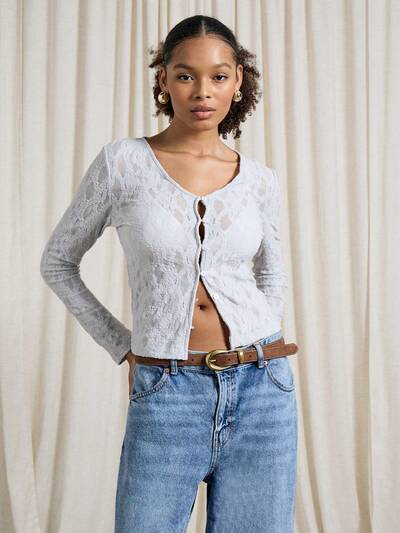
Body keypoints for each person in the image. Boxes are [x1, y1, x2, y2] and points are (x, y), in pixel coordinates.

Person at [40, 14, 299, 533]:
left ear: (237, 81)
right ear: (164, 80)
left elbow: (272, 275)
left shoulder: (259, 180)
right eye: (185, 75)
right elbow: (58, 263)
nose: (202, 91)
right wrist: (124, 345)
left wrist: (259, 345)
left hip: (263, 387)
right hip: (168, 389)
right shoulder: (123, 163)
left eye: (218, 76)